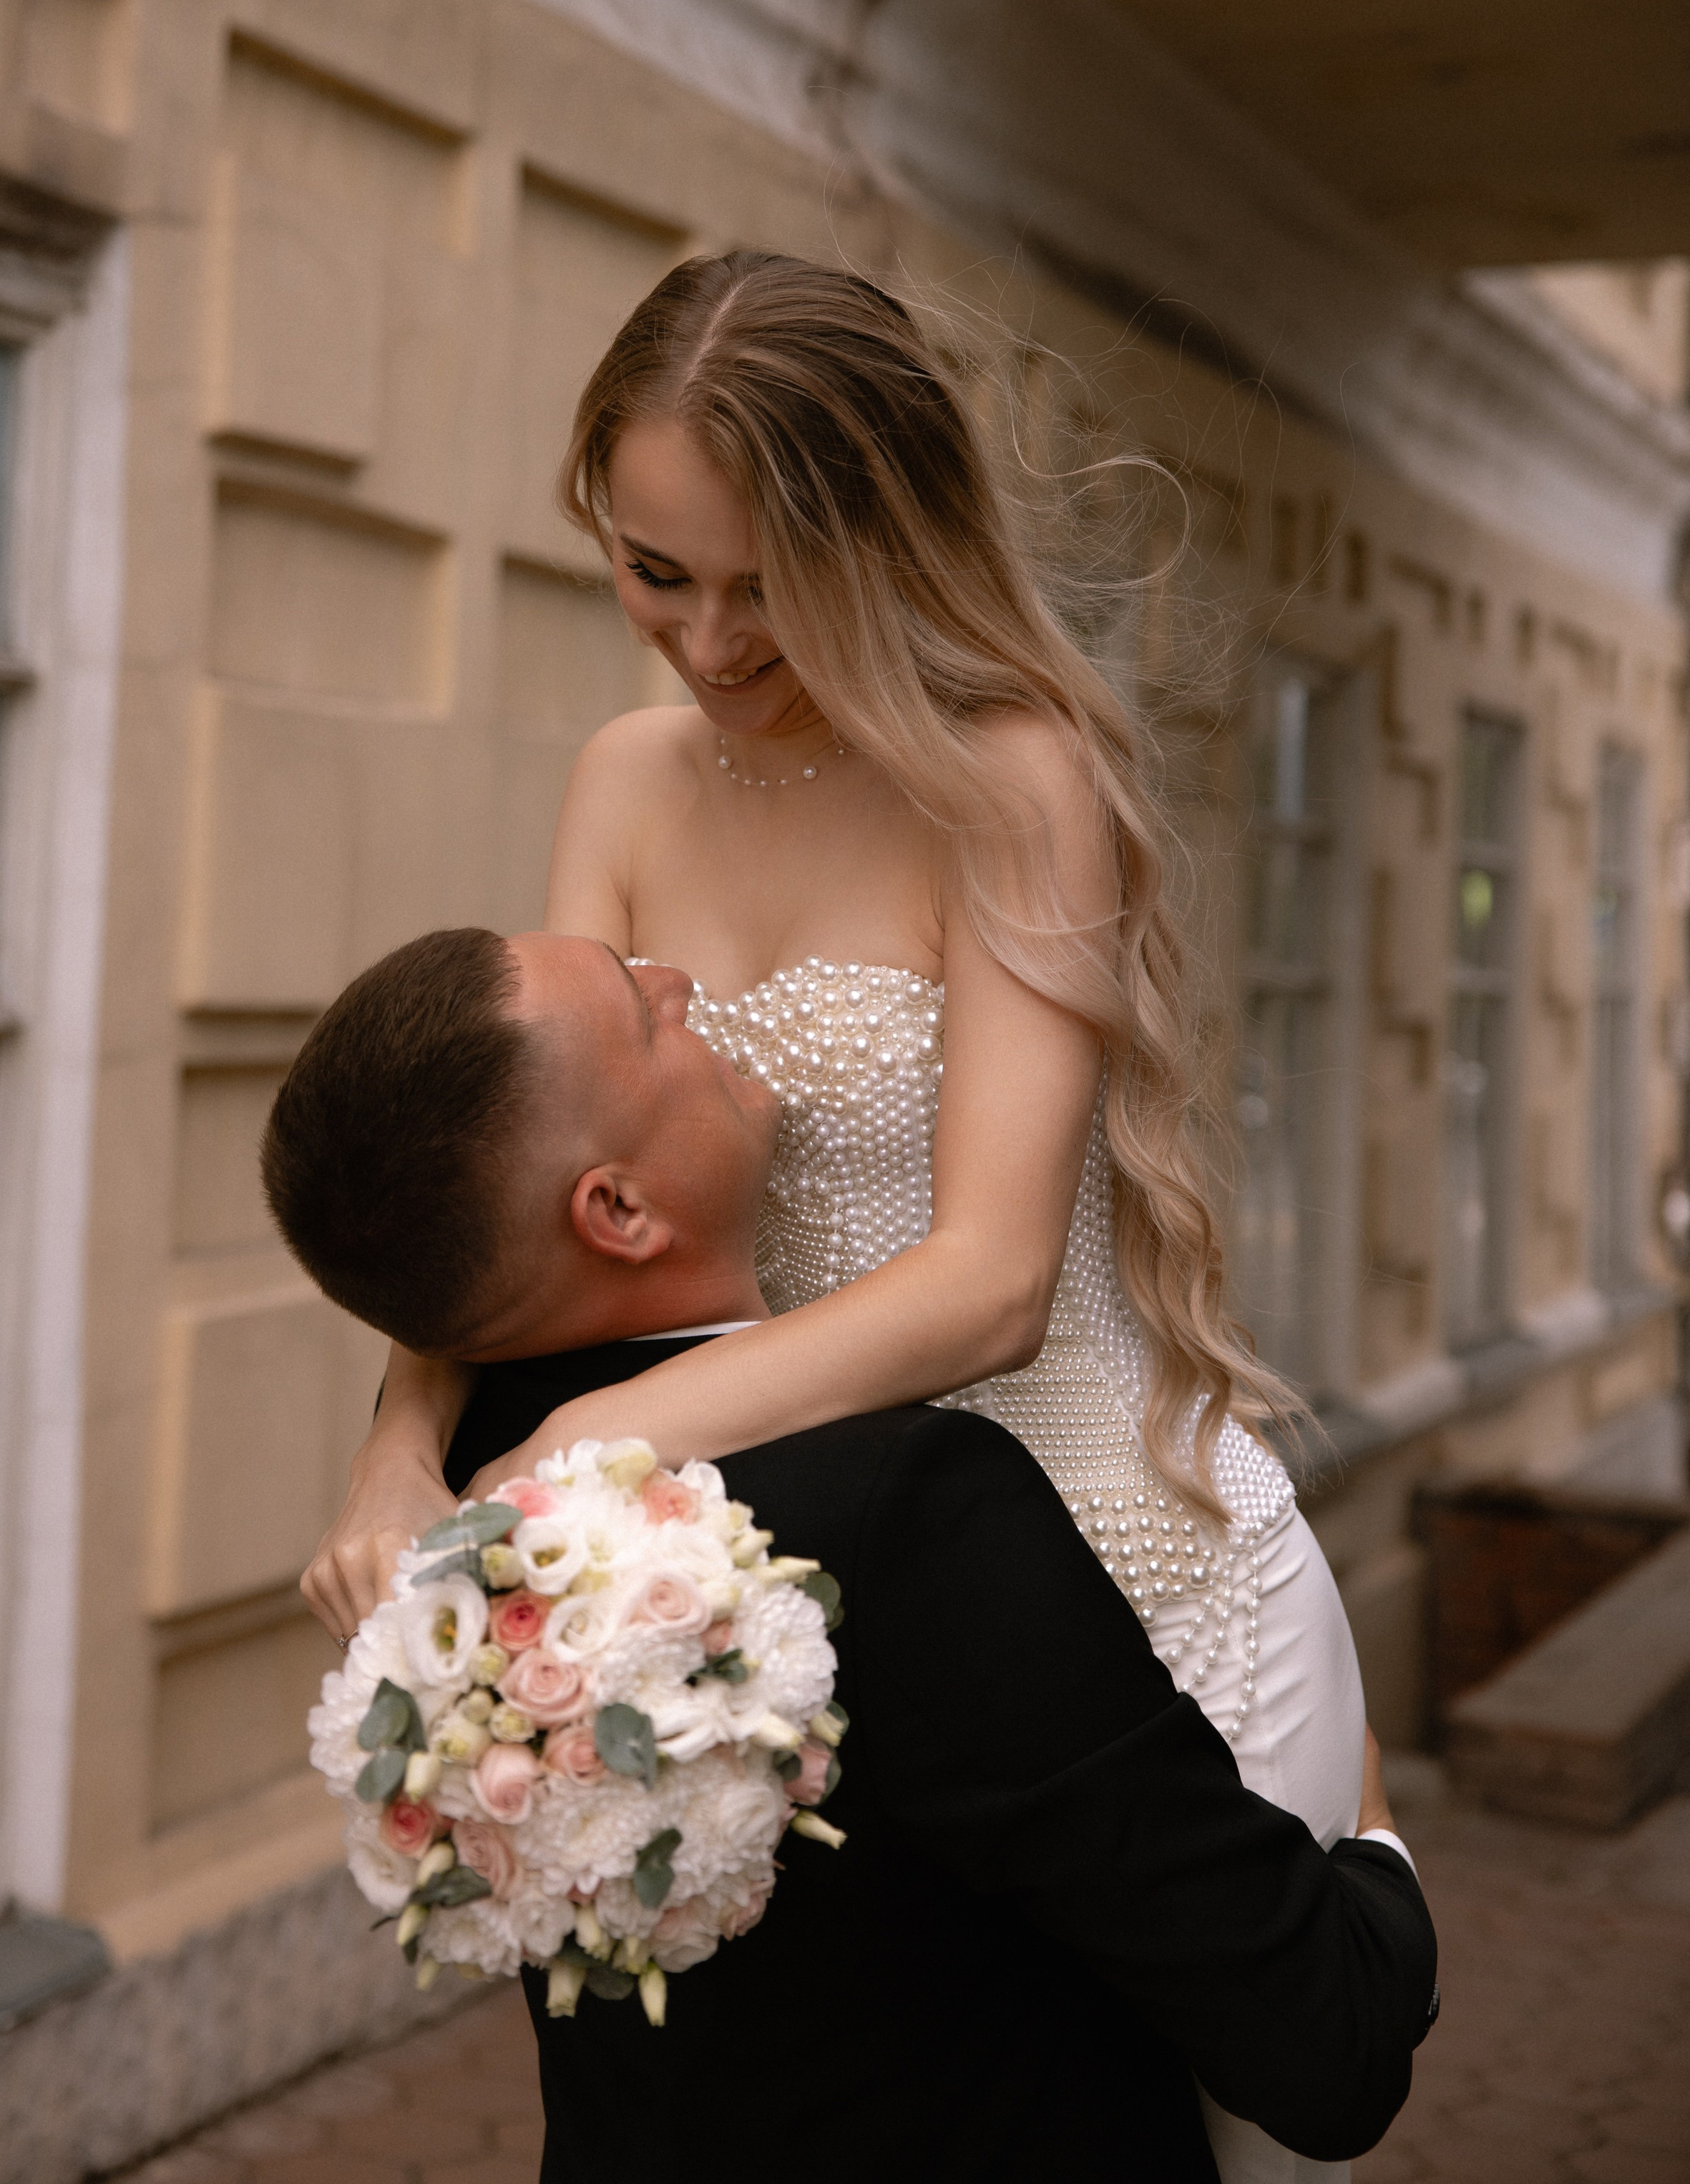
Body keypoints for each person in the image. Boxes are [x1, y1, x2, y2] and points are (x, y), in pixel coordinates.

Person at [305, 256, 1371, 2180]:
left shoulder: (1018, 778)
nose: (706, 641)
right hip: (807, 1580)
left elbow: (985, 1289)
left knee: (1170, 2119)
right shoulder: (625, 777)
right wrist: (398, 1444)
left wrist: (564, 1455)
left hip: (1122, 1564)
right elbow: (535, 1173)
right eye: (654, 570)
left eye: (767, 580)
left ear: (887, 535)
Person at [266, 926, 1435, 2184]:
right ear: (616, 1206)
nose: (680, 978)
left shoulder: (462, 1497)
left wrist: (394, 1433)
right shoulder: (911, 1509)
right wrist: (1372, 1837)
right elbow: (1328, 2048)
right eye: (642, 1009)